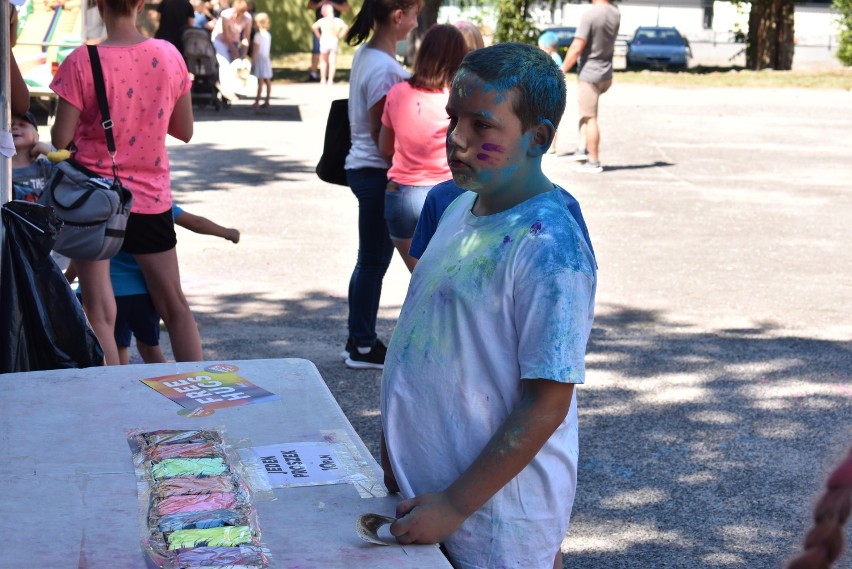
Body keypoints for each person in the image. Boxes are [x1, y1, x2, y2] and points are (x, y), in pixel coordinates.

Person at [380, 43, 597, 569]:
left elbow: (547, 401)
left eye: (482, 125)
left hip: (496, 520)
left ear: (537, 138)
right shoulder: (457, 207)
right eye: (454, 118)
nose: (456, 138)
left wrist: (456, 503)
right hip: (430, 494)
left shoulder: (551, 248)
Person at [50, 0, 201, 366]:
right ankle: (197, 390)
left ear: (98, 4)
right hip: (151, 199)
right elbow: (184, 131)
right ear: (140, 3)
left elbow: (60, 138)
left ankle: (110, 399)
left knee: (99, 308)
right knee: (174, 305)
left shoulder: (81, 61)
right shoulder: (168, 55)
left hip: (96, 204)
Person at [340, 0, 420, 370]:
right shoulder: (386, 69)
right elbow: (381, 134)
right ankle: (362, 344)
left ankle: (359, 337)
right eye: (415, 13)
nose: (417, 22)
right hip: (375, 171)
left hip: (365, 169)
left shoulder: (368, 55)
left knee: (369, 261)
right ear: (398, 16)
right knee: (373, 261)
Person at [68, 204, 240, 365]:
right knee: (150, 347)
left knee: (111, 343)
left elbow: (82, 257)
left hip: (102, 294)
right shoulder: (152, 201)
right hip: (142, 295)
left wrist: (67, 280)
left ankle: (118, 388)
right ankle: (178, 386)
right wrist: (228, 233)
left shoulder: (95, 201)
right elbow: (197, 223)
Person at [377, 24, 466, 272]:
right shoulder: (459, 99)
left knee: (421, 281)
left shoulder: (397, 93)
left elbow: (385, 147)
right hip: (447, 194)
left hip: (400, 195)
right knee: (446, 279)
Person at [561, 0, 620, 173]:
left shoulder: (590, 15)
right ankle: (581, 149)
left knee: (590, 117)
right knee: (585, 113)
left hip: (590, 74)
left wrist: (562, 69)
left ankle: (593, 161)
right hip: (606, 73)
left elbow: (577, 46)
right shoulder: (615, 13)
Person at [10, 111, 52, 203]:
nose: (14, 127)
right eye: (10, 125)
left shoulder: (45, 167)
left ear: (36, 136)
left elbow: (69, 172)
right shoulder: (3, 171)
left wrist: (50, 152)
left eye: (22, 125)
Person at [307, 0, 349, 82]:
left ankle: (328, 77)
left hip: (332, 35)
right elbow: (310, 5)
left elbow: (346, 8)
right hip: (323, 32)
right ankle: (315, 74)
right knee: (318, 52)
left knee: (330, 59)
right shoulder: (323, 21)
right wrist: (320, 4)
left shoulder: (336, 20)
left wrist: (333, 4)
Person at [252, 12, 272, 107]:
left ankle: (257, 101)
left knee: (260, 81)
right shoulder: (268, 35)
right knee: (267, 80)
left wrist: (253, 61)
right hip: (266, 58)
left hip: (260, 59)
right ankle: (267, 100)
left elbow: (255, 50)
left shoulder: (257, 36)